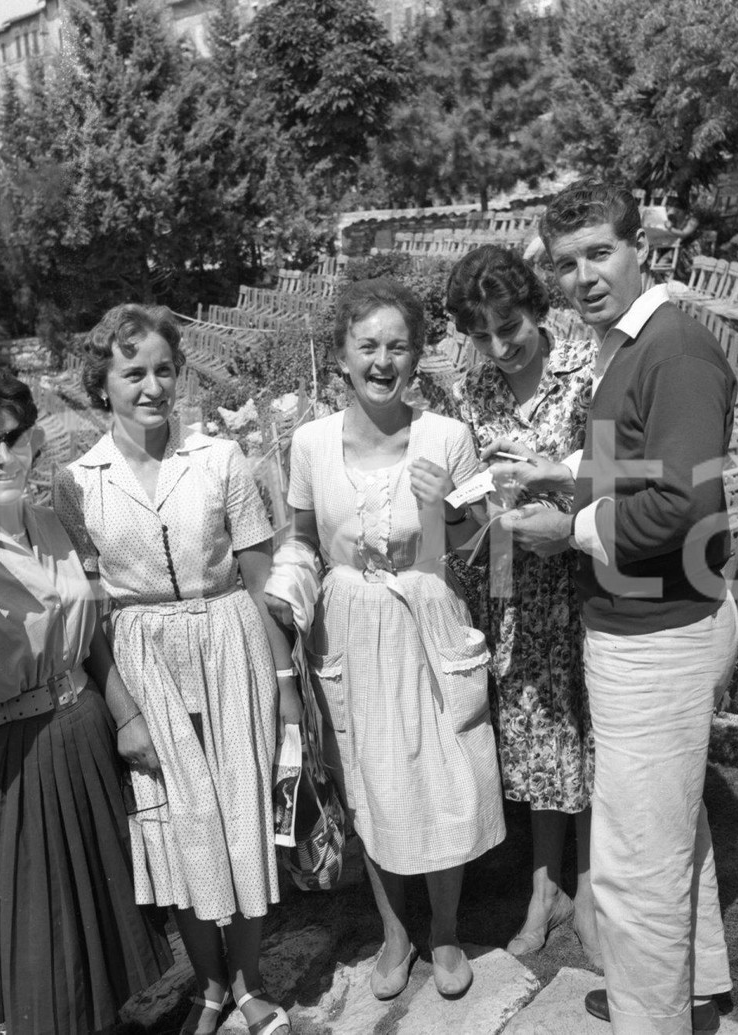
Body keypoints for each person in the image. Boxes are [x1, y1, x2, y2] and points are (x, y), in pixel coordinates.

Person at [498, 179, 738, 1033]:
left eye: (601, 252)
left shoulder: (672, 350)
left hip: (660, 631)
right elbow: (634, 460)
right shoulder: (626, 344)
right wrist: (558, 470)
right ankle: (696, 982)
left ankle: (651, 1017)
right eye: (567, 264)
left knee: (636, 861)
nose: (584, 277)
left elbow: (685, 505)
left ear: (644, 248)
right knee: (674, 830)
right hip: (648, 621)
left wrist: (569, 531)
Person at [0, 369, 172, 1035]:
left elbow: (88, 633)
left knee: (100, 932)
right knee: (48, 952)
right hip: (20, 762)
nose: (1, 459)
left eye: (13, 439)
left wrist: (126, 713)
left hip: (85, 734)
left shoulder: (47, 523)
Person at [53, 305, 299, 1035]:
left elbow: (259, 577)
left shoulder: (219, 458)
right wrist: (124, 709)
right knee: (176, 823)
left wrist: (286, 688)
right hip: (143, 658)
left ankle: (252, 983)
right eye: (133, 372)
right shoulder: (78, 481)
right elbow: (92, 614)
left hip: (230, 642)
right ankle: (211, 983)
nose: (152, 386)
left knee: (240, 810)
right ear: (102, 383)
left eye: (164, 369)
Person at [267, 277, 506, 1002]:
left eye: (397, 346)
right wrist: (286, 593)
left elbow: (485, 542)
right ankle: (393, 930)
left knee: (441, 773)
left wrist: (445, 511)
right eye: (366, 345)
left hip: (427, 616)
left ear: (418, 356)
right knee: (368, 779)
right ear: (342, 355)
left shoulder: (447, 437)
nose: (382, 360)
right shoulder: (308, 443)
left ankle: (443, 928)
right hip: (347, 624)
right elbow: (302, 539)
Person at [443, 245, 600, 969]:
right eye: (481, 335)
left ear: (537, 310)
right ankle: (546, 891)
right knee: (540, 736)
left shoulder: (586, 370)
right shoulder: (474, 391)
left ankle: (593, 890)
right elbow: (473, 493)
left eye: (509, 328)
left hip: (589, 571)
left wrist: (560, 518)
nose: (499, 347)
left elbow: (615, 479)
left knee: (593, 731)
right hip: (516, 584)